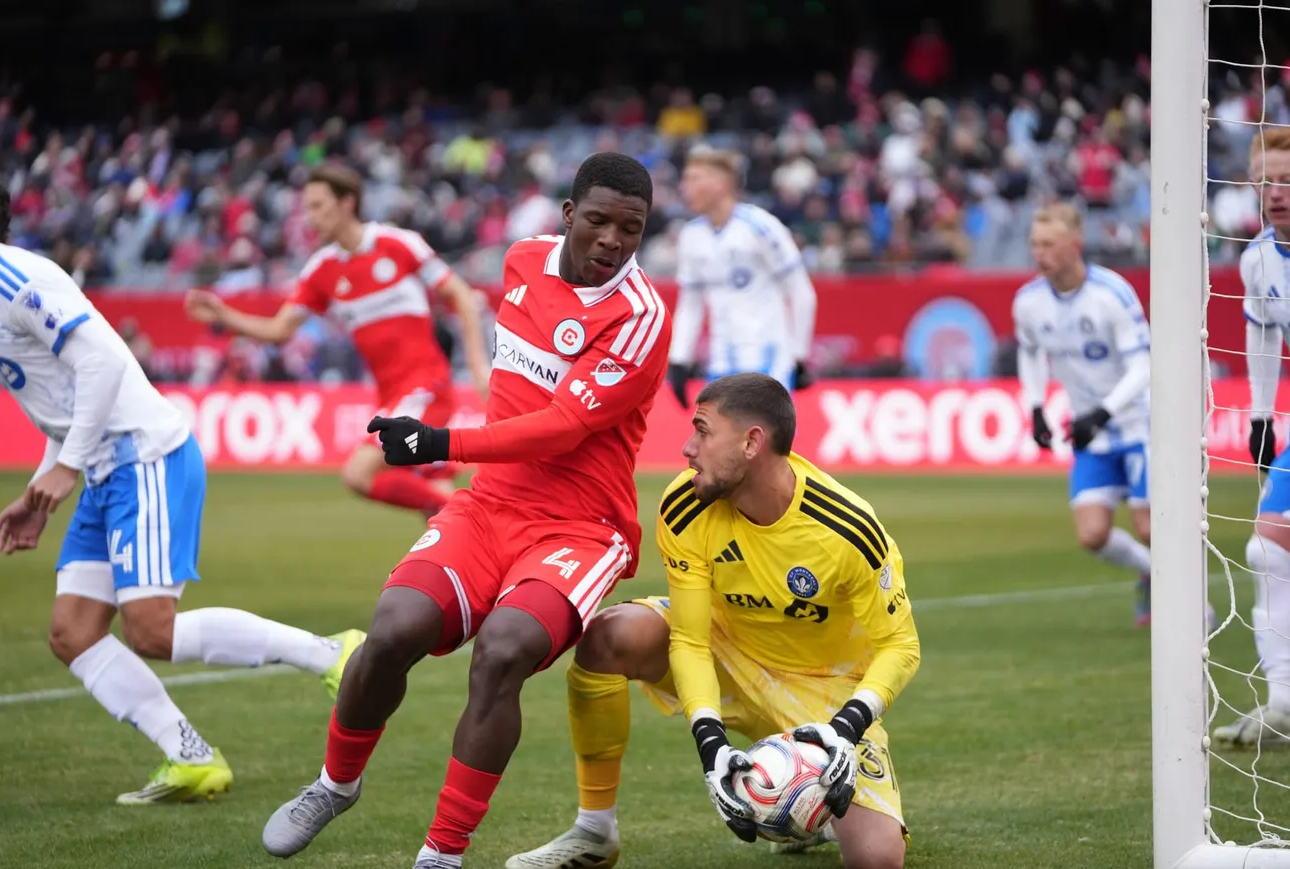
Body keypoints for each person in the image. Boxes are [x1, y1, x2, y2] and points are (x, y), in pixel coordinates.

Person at [259, 152, 671, 869]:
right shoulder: (521, 261)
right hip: (489, 506)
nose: (612, 240)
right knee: (390, 630)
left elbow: (561, 427)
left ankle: (441, 855)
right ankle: (334, 783)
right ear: (570, 215)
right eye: (599, 221)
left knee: (504, 649)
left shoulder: (639, 316)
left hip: (579, 525)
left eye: (630, 229)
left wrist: (441, 442)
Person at [0, 180, 364, 805]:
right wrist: (40, 487)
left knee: (152, 631)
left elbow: (104, 366)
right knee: (72, 631)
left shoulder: (13, 279)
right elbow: (63, 400)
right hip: (104, 468)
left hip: (146, 455)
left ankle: (333, 652)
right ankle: (190, 758)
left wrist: (68, 466)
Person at [507, 373, 918, 869]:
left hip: (823, 691)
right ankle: (595, 830)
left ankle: (805, 803)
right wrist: (712, 746)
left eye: (702, 431)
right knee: (610, 636)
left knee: (877, 859)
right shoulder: (686, 504)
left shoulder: (847, 528)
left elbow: (901, 646)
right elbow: (690, 638)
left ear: (751, 443)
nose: (687, 448)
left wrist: (846, 728)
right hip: (725, 650)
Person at [185, 163, 490, 517]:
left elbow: (463, 297)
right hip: (390, 396)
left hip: (425, 388)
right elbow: (279, 330)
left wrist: (478, 366)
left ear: (347, 203)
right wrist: (224, 315)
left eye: (318, 206)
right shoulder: (322, 269)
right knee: (437, 511)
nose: (310, 217)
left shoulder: (398, 243)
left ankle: (478, 519)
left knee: (358, 473)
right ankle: (468, 544)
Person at [1013, 203, 1156, 627]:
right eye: (1035, 244)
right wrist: (1036, 407)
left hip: (1141, 424)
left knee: (1152, 527)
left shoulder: (1111, 294)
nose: (1040, 254)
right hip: (1093, 432)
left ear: (1074, 245)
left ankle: (1191, 609)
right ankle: (1150, 573)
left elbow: (1143, 365)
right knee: (1092, 535)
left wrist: (1103, 412)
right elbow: (1031, 352)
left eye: (1049, 244)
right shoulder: (1028, 302)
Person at [1215, 126, 1290, 746]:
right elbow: (1264, 334)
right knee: (1268, 549)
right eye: (1268, 180)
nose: (1278, 192)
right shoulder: (1257, 258)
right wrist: (1263, 415)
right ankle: (1287, 705)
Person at [666, 148, 818, 406]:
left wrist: (798, 356)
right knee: (720, 443)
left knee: (763, 443)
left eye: (694, 179)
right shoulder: (691, 236)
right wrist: (679, 359)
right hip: (722, 359)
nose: (685, 187)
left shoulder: (761, 226)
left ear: (721, 184)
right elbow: (690, 304)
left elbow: (801, 292)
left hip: (767, 356)